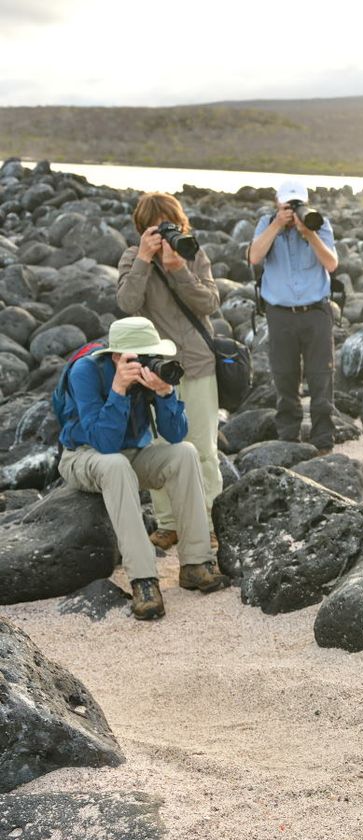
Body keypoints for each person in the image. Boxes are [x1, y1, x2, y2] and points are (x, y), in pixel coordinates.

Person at [57, 317, 230, 620]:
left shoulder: (151, 371)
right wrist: (119, 389)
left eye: (153, 355)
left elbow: (176, 435)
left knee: (185, 454)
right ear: (116, 356)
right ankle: (144, 580)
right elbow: (104, 443)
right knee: (116, 464)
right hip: (84, 455)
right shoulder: (86, 372)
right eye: (139, 357)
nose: (149, 362)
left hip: (132, 454)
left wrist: (165, 394)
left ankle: (196, 563)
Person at [116, 192, 222, 552]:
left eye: (170, 224)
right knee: (160, 447)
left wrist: (178, 269)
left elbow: (209, 303)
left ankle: (206, 522)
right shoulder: (132, 257)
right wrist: (145, 260)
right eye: (155, 227)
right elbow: (127, 305)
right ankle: (168, 524)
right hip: (155, 368)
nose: (164, 233)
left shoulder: (193, 254)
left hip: (196, 362)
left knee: (203, 448)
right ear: (142, 230)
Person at [247, 180, 338, 454]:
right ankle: (288, 437)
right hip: (280, 313)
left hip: (316, 312)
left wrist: (309, 233)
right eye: (287, 205)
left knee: (321, 376)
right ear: (277, 203)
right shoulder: (267, 223)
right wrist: (276, 225)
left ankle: (323, 440)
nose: (292, 210)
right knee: (284, 375)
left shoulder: (319, 224)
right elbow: (254, 257)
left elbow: (332, 263)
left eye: (296, 204)